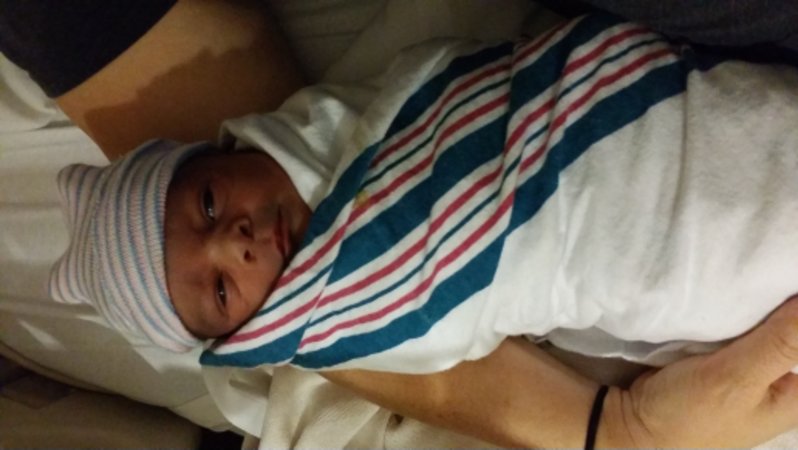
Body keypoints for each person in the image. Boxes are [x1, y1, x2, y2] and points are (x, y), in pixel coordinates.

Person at [7, 1, 798, 448]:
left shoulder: (322, 135)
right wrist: (613, 430)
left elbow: (426, 102)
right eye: (220, 289)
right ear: (241, 335)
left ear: (220, 153)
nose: (232, 243)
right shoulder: (341, 315)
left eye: (208, 204)